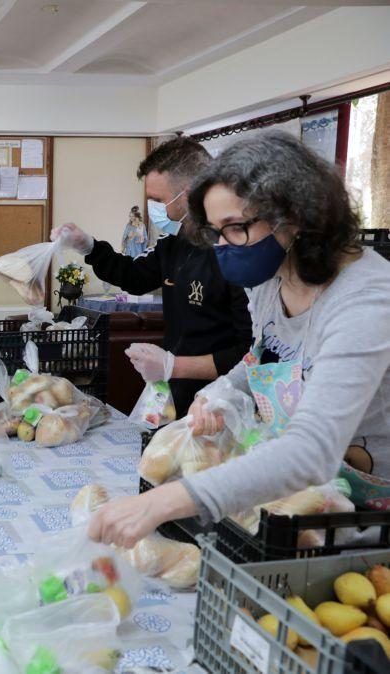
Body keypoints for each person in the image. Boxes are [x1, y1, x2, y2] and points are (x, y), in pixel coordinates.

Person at [89, 132, 390, 548]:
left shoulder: (366, 299)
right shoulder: (272, 279)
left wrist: (165, 501)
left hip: (366, 514)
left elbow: (312, 450)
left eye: (235, 228)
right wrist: (220, 392)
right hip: (306, 501)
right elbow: (259, 356)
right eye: (215, 231)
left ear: (296, 214)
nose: (223, 247)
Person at [52, 137, 252, 416]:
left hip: (223, 402)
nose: (153, 209)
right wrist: (89, 246)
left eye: (158, 200)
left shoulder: (237, 253)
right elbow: (135, 277)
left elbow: (251, 349)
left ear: (189, 192)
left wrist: (174, 365)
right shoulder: (175, 243)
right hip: (175, 395)